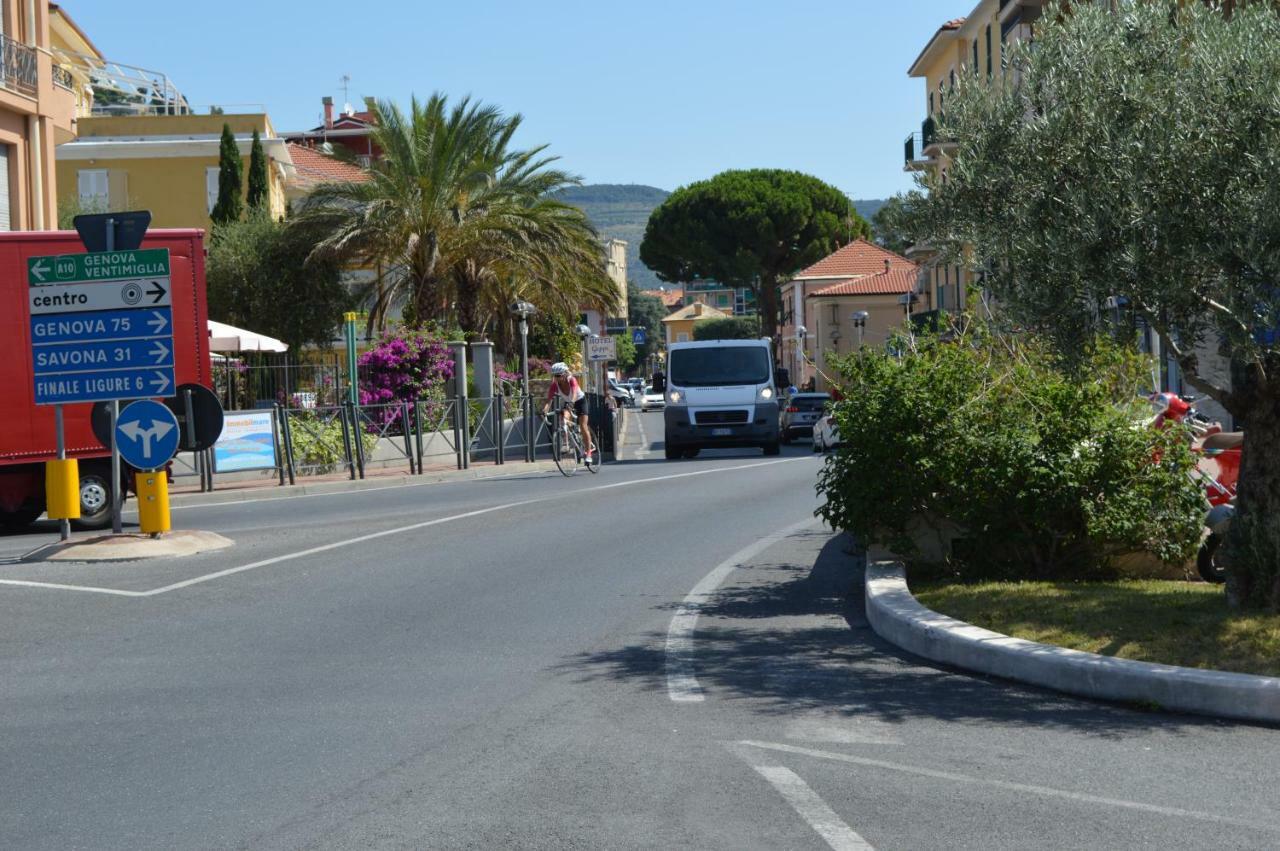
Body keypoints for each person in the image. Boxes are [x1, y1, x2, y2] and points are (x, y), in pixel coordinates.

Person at [544, 362, 595, 460]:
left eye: (558, 375)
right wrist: (544, 410)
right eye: (554, 376)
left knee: (583, 426)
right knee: (563, 420)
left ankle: (588, 453)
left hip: (580, 401)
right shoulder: (554, 385)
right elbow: (549, 400)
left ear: (564, 374)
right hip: (568, 403)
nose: (556, 378)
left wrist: (571, 403)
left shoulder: (571, 380)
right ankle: (566, 444)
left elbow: (575, 393)